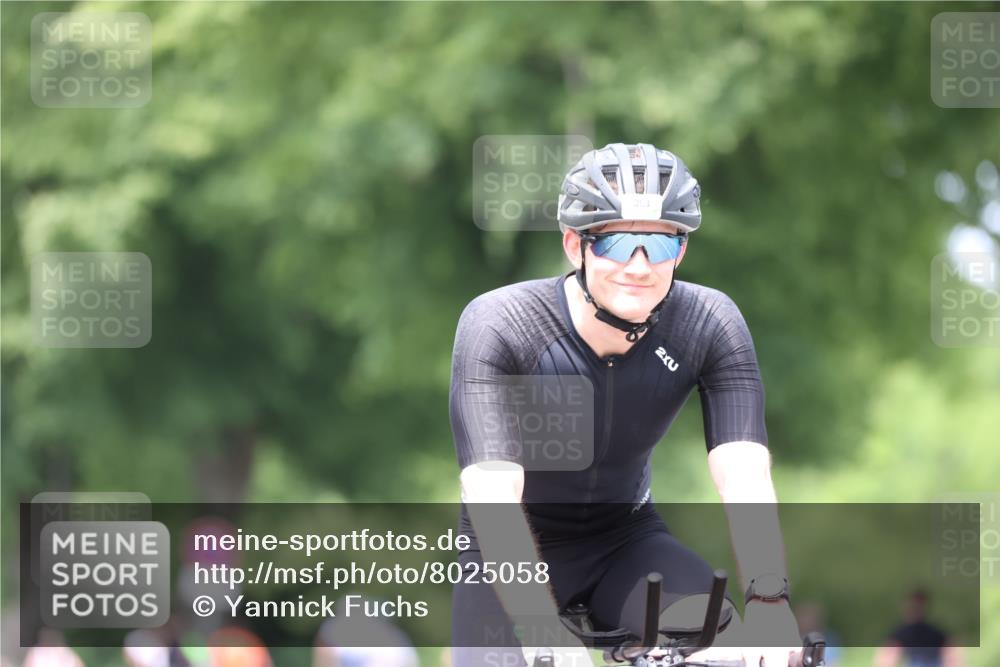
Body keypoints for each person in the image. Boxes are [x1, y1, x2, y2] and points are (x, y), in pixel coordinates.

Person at [450, 143, 802, 667]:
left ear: (680, 253)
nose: (639, 266)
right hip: (508, 551)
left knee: (732, 651)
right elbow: (492, 493)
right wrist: (540, 624)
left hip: (628, 543)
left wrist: (770, 600)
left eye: (659, 246)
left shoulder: (710, 323)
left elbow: (744, 473)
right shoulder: (501, 325)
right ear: (576, 245)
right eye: (617, 242)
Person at [873, 589, 964, 667]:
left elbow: (953, 658)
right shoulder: (900, 635)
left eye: (917, 606)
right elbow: (885, 661)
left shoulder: (938, 634)